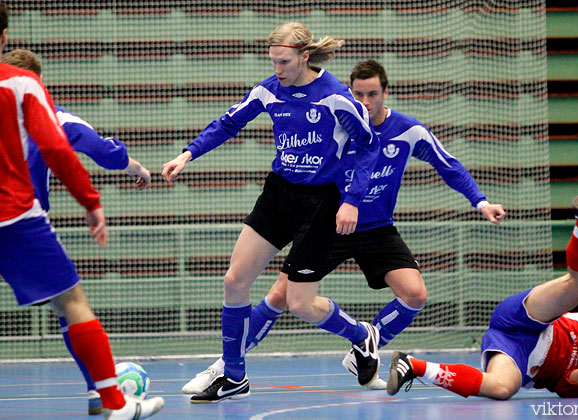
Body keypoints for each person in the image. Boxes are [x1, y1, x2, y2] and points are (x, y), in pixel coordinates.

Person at [181, 59, 507, 394]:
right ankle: (227, 364)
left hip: (377, 228)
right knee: (281, 296)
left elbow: (447, 164)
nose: (366, 102)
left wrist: (481, 202)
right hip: (332, 224)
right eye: (359, 94)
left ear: (386, 92)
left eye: (373, 94)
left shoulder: (408, 131)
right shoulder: (341, 123)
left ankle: (363, 348)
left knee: (415, 293)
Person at [162, 22, 381, 403]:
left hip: (321, 202)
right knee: (234, 281)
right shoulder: (269, 90)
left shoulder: (336, 97)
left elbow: (368, 148)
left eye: (284, 61)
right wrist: (188, 154)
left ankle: (362, 336)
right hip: (279, 194)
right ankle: (235, 378)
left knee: (300, 303)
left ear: (304, 56)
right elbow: (228, 122)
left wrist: (352, 200)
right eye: (273, 61)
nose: (278, 69)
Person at [0, 3, 163, 419]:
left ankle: (99, 392)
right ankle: (108, 399)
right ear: (4, 37)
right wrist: (101, 196)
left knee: (63, 309)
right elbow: (99, 153)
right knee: (70, 303)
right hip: (17, 220)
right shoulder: (31, 95)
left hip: (19, 222)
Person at [386, 196, 578, 399]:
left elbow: (565, 386)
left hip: (517, 352)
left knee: (502, 388)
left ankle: (411, 365)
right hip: (535, 321)